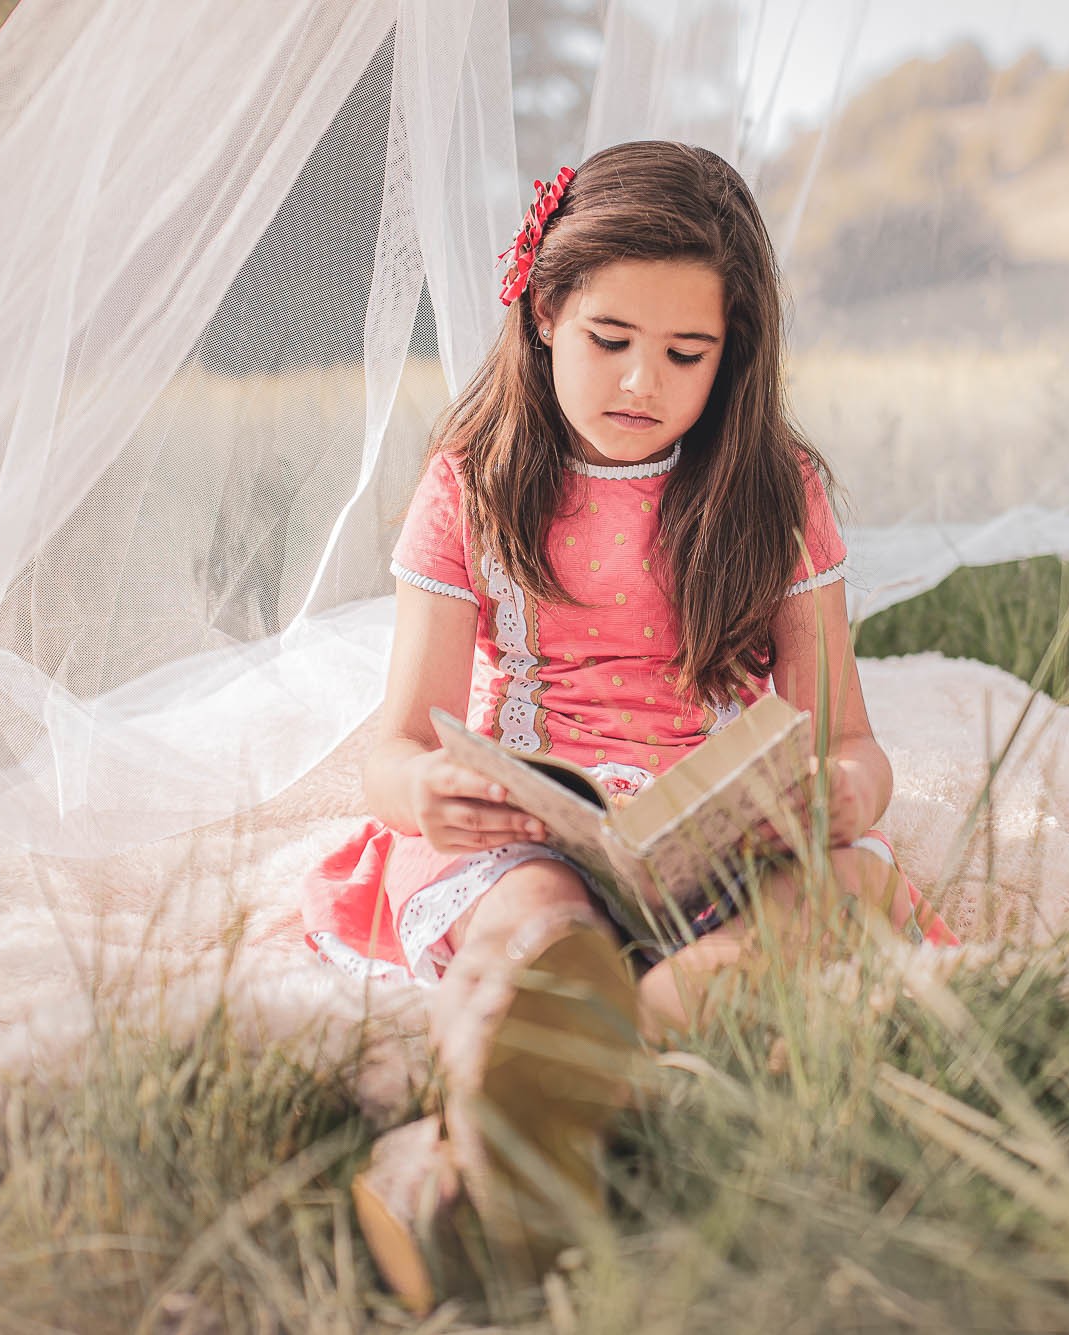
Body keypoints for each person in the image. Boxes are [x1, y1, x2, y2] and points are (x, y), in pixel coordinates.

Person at [298, 140, 956, 1314]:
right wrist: (426, 798)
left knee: (845, 885)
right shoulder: (475, 479)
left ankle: (534, 1108)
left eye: (684, 354)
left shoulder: (774, 489)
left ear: (732, 359)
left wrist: (841, 794)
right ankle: (542, 1074)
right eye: (610, 341)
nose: (641, 382)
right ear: (544, 310)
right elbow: (392, 746)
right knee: (533, 934)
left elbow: (846, 745)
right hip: (531, 825)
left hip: (709, 837)